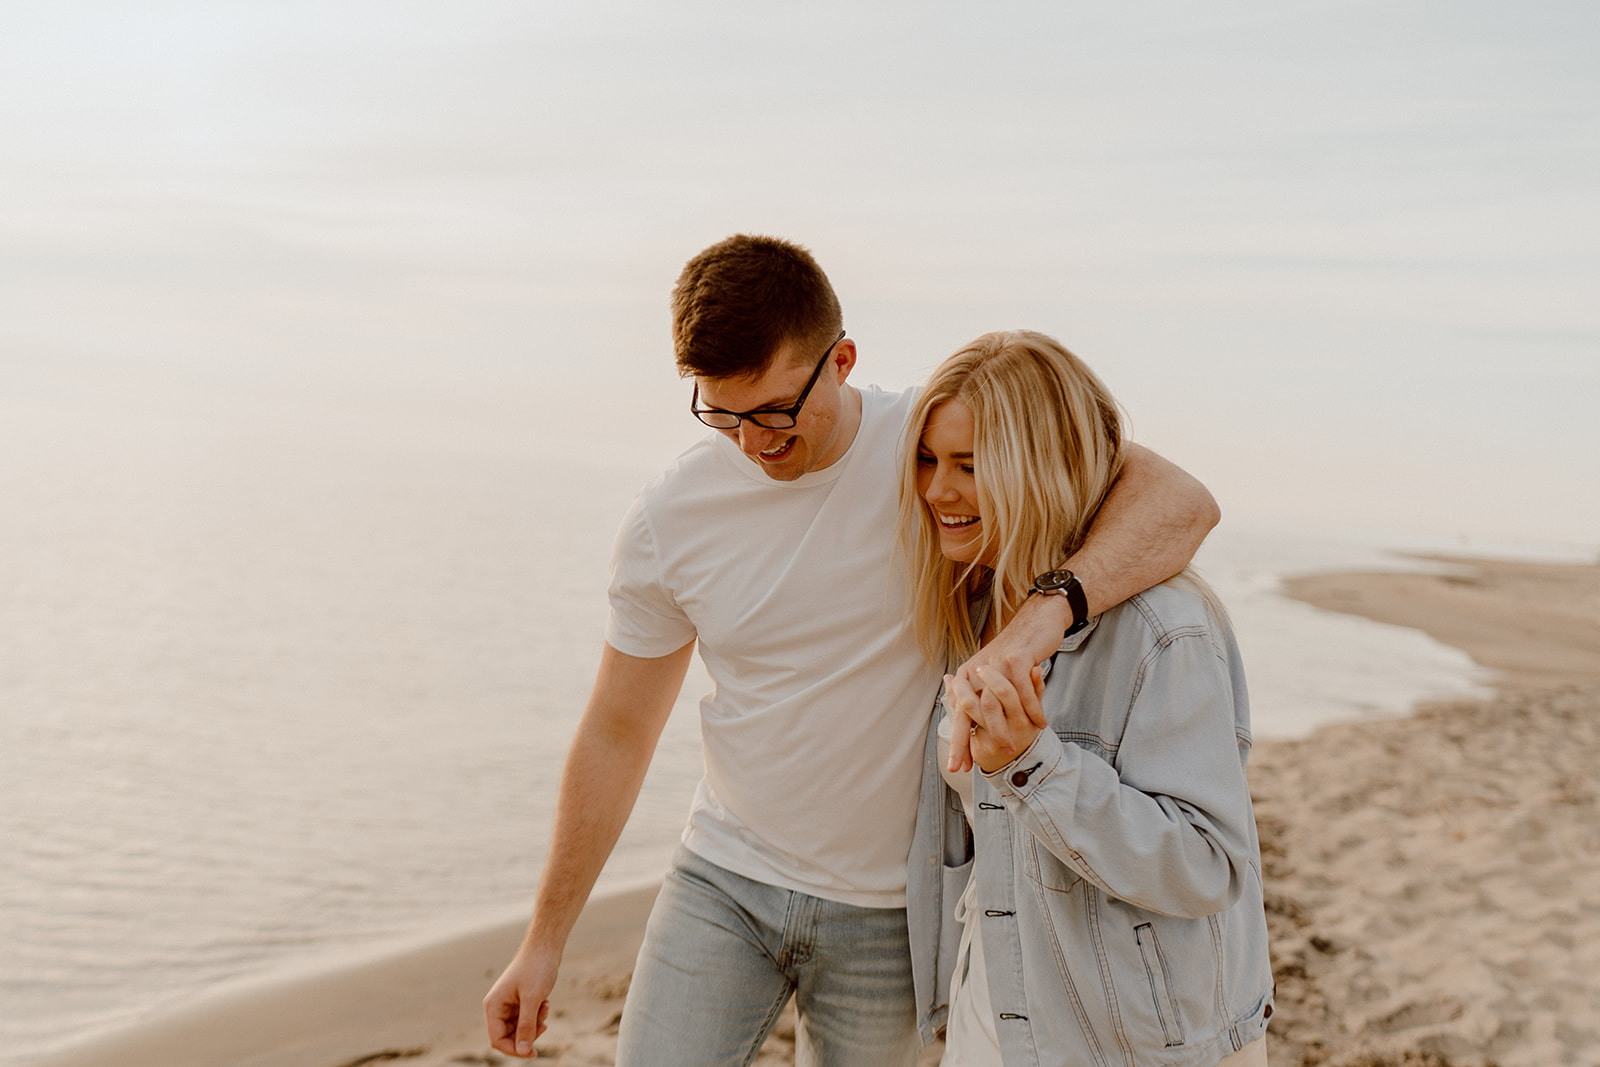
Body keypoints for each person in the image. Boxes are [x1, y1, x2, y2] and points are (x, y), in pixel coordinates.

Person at [484, 236, 1221, 1066]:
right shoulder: (670, 517)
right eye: (721, 414)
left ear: (841, 359)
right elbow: (618, 731)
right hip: (722, 880)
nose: (751, 441)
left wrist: (1038, 621)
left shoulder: (936, 443)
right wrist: (543, 940)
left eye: (772, 410)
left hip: (893, 916)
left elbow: (1179, 499)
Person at [901, 330, 1274, 1066]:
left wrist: (1036, 766)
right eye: (928, 459)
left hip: (1135, 1044)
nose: (937, 489)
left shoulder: (1164, 629)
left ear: (1036, 467)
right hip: (999, 1020)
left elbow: (1208, 864)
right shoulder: (976, 605)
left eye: (969, 466)